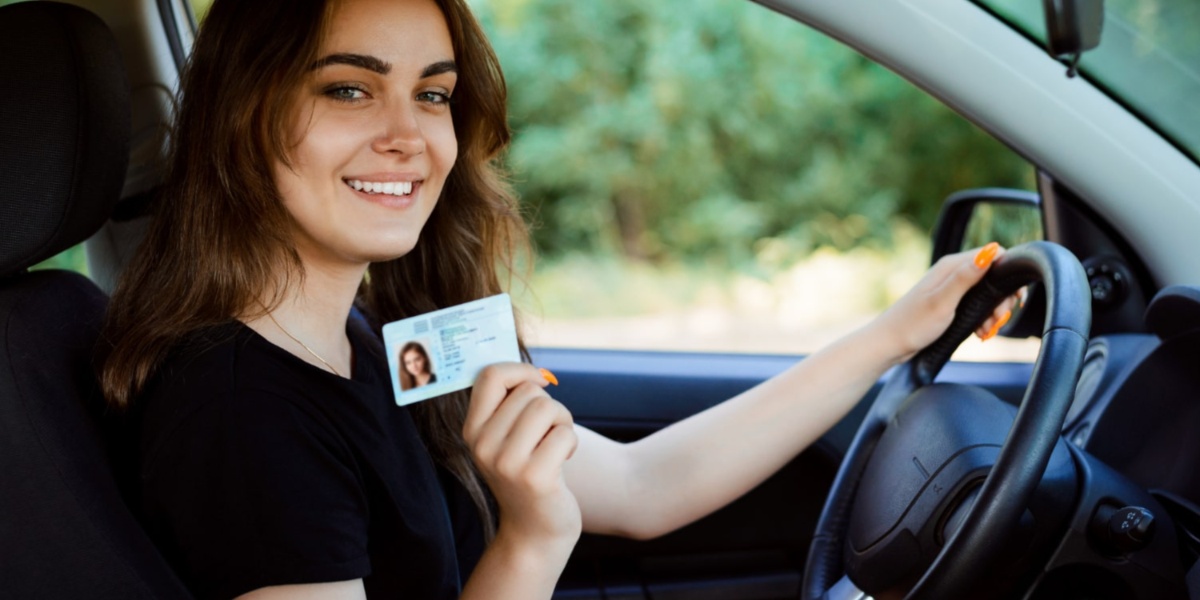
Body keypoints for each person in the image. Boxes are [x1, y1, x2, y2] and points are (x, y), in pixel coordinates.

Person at [99, 0, 1016, 598]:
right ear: (241, 117)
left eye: (432, 95)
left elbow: (644, 485)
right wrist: (533, 538)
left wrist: (894, 334)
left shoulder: (372, 339)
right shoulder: (239, 415)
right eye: (349, 89)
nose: (408, 136)